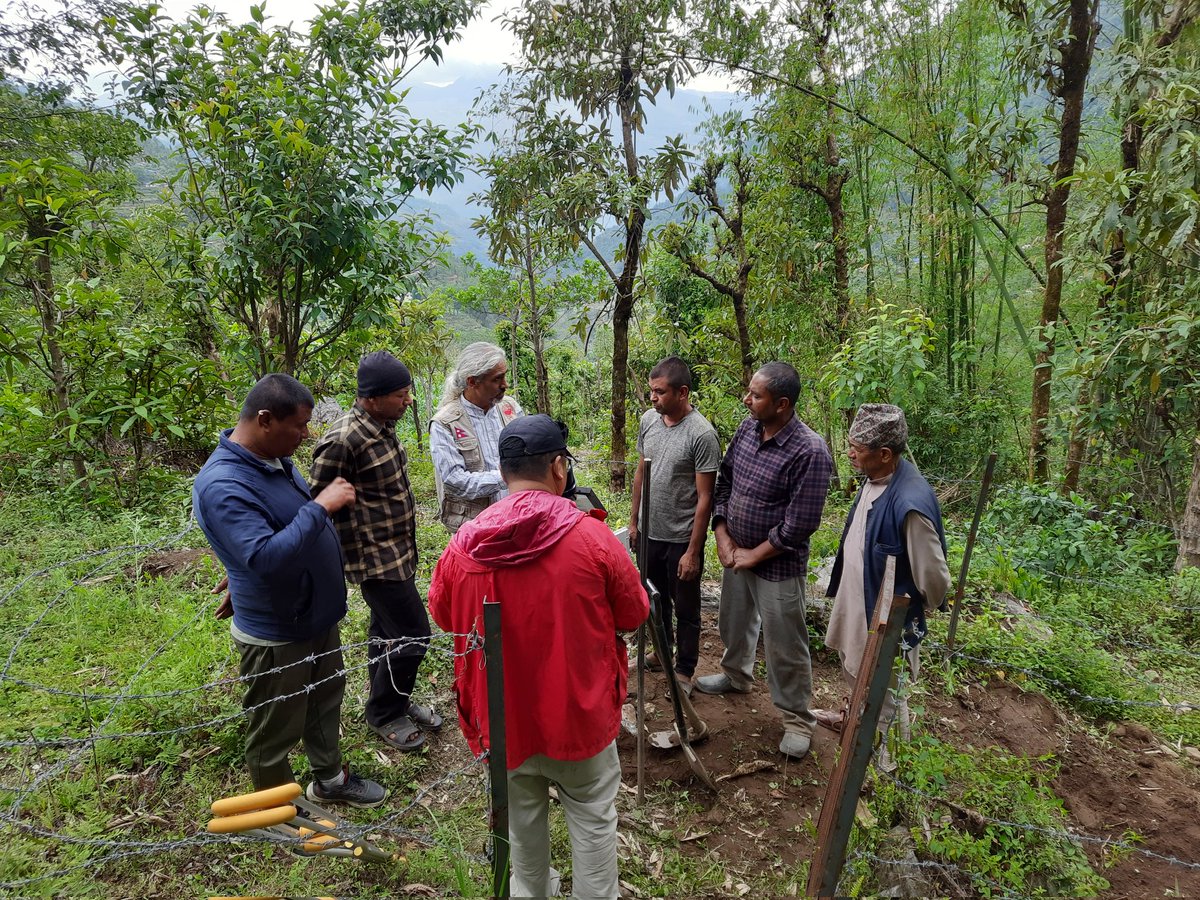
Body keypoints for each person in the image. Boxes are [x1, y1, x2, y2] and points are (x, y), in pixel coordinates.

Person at [429, 415, 648, 899]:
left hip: (501, 721)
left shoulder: (463, 545)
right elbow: (633, 613)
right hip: (579, 716)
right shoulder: (594, 540)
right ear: (558, 467)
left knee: (520, 819)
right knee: (592, 815)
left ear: (503, 472)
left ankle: (530, 892)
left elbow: (445, 615)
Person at [192, 373, 387, 807]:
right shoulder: (224, 483)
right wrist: (321, 505)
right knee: (274, 727)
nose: (305, 436)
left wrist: (238, 571)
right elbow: (264, 557)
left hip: (314, 616)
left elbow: (260, 540)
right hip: (278, 632)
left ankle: (331, 780)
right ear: (264, 419)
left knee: (323, 704)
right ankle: (276, 809)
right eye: (298, 426)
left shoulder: (273, 459)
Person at [693, 362, 833, 761]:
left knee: (785, 642)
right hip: (736, 552)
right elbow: (727, 481)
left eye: (755, 395)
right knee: (733, 621)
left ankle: (796, 720)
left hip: (776, 564)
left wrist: (753, 553)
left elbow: (801, 523)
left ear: (783, 404)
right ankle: (737, 675)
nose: (746, 399)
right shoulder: (747, 429)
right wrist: (722, 534)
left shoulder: (810, 450)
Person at [309, 351, 442, 753]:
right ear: (372, 397)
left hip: (399, 553)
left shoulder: (383, 427)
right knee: (414, 635)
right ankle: (385, 714)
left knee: (386, 634)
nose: (408, 401)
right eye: (401, 394)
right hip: (374, 560)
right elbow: (318, 502)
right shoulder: (343, 439)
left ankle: (393, 699)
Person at [818, 404, 950, 751]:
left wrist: (915, 609)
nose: (849, 454)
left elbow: (935, 579)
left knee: (885, 691)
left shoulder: (910, 503)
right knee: (857, 675)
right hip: (858, 603)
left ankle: (886, 763)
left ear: (885, 454)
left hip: (883, 621)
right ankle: (857, 726)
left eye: (856, 450)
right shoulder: (876, 480)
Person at [629, 356, 720, 692]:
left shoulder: (701, 434)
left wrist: (693, 551)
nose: (652, 398)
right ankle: (660, 653)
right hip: (650, 532)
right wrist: (634, 520)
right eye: (651, 391)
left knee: (686, 607)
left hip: (681, 538)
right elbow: (641, 472)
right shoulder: (649, 421)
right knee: (654, 600)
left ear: (682, 392)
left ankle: (684, 669)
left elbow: (705, 497)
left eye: (660, 392)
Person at [430, 342, 523, 533]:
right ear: (472, 382)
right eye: (498, 379)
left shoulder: (510, 409)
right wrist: (507, 477)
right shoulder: (445, 423)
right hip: (475, 527)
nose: (505, 385)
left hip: (516, 518)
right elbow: (454, 480)